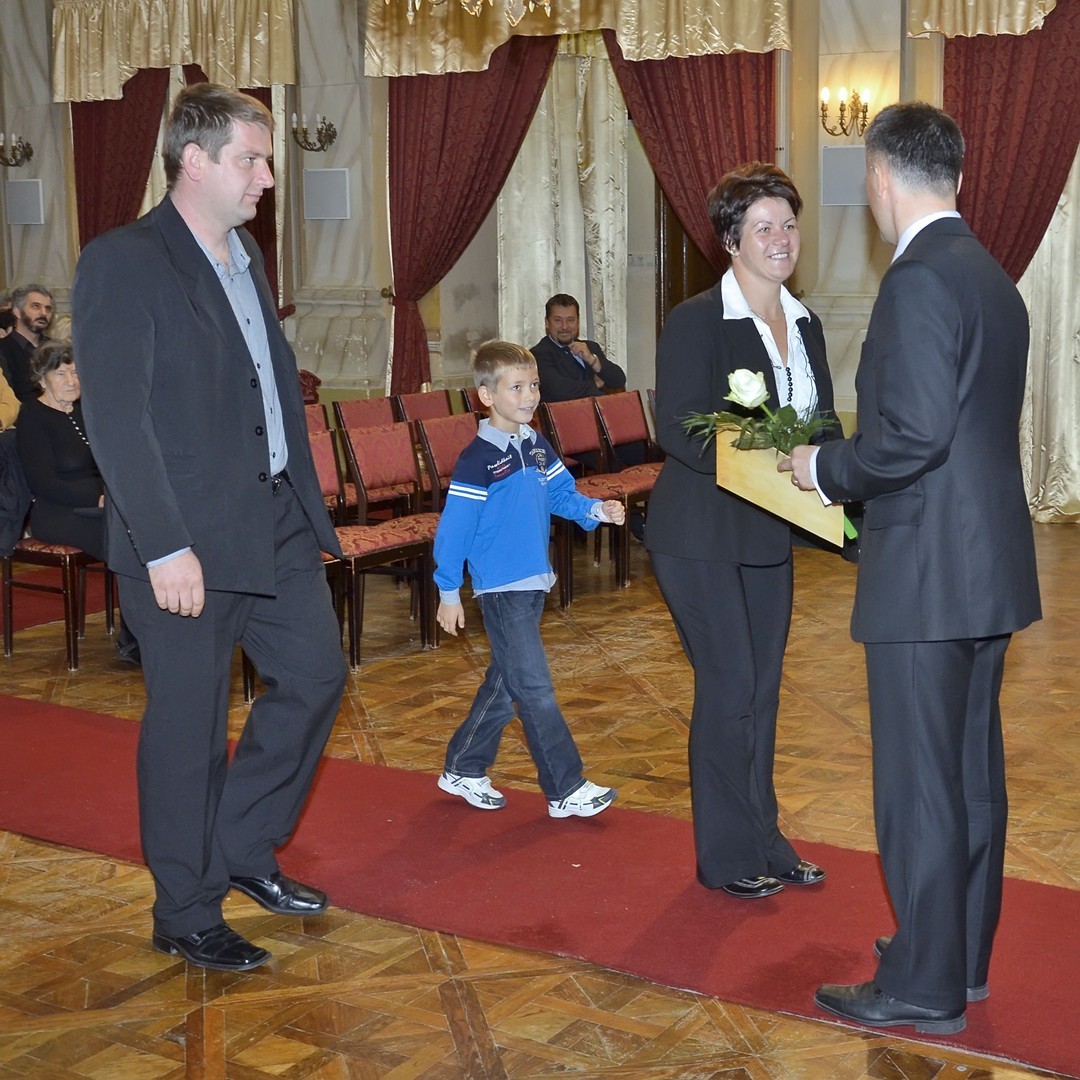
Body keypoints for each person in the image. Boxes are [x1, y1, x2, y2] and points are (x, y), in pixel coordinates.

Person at [72, 83, 347, 973]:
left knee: (316, 675)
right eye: (251, 160)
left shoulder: (246, 254)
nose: (266, 177)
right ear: (194, 161)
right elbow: (118, 420)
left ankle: (241, 845)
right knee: (189, 728)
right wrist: (163, 545)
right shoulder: (124, 261)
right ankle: (185, 908)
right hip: (185, 538)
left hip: (272, 519)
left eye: (266, 160)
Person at [782, 102, 1041, 1034]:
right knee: (968, 774)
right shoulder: (992, 277)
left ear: (880, 178)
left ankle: (924, 987)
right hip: (985, 567)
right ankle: (957, 957)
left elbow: (915, 437)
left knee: (920, 784)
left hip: (928, 573)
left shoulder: (919, 278)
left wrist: (823, 467)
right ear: (957, 176)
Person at [645, 163, 838, 899]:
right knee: (728, 690)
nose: (781, 238)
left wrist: (833, 475)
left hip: (767, 533)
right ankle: (726, 857)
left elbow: (822, 424)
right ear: (731, 239)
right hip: (697, 533)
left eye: (788, 224)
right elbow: (679, 429)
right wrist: (770, 455)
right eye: (764, 227)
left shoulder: (806, 322)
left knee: (763, 693)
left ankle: (765, 839)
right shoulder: (697, 320)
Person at [434, 339, 623, 818]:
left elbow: (561, 494)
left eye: (534, 385)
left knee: (507, 682)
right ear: (487, 396)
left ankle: (462, 766)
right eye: (516, 387)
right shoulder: (477, 459)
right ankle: (565, 788)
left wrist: (595, 510)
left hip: (534, 581)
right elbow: (455, 529)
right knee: (535, 689)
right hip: (501, 589)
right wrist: (448, 590)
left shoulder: (535, 444)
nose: (530, 395)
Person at [13, 341, 140, 661]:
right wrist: (97, 495)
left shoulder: (85, 412)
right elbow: (43, 483)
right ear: (42, 378)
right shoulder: (33, 417)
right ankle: (134, 640)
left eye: (76, 372)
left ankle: (147, 631)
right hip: (56, 513)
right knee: (126, 540)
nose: (72, 380)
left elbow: (109, 464)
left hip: (98, 506)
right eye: (62, 373)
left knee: (143, 532)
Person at [531, 294, 626, 403]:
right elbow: (560, 391)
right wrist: (597, 384)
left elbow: (619, 380)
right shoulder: (538, 354)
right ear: (547, 323)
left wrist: (592, 360)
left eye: (570, 320)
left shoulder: (591, 347)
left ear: (578, 322)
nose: (564, 326)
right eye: (558, 320)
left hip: (599, 411)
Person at [0, 283, 54, 402]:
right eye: (36, 306)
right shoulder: (3, 350)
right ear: (17, 312)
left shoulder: (56, 348)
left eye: (48, 308)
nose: (43, 313)